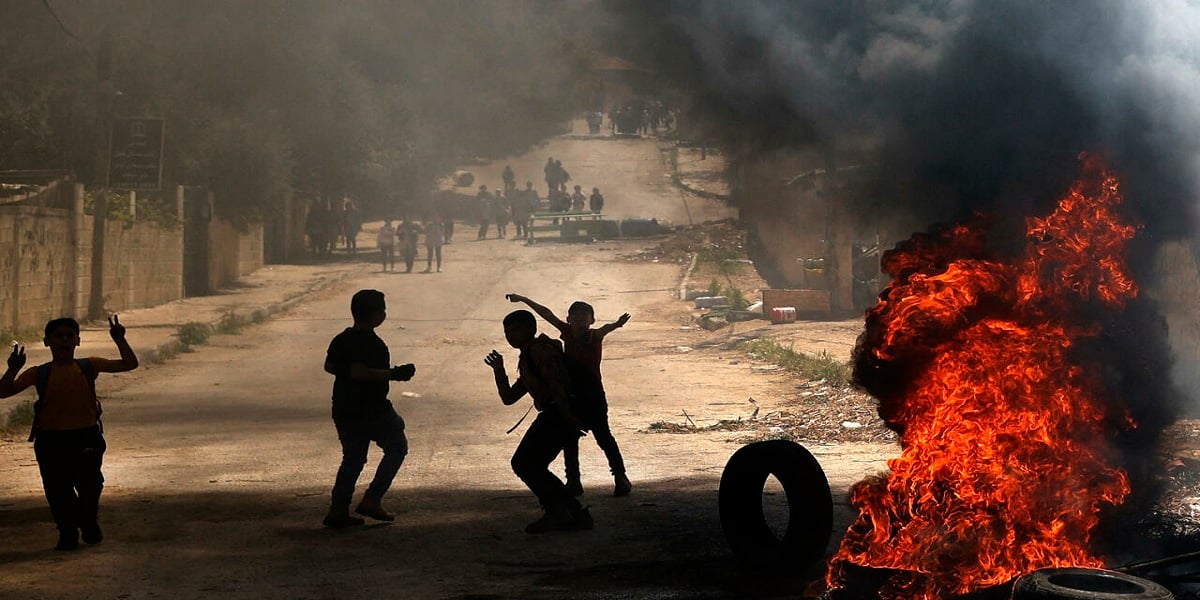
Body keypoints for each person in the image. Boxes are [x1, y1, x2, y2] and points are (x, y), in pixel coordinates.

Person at [0, 315, 139, 550]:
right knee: (57, 491)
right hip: (51, 441)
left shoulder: (88, 366)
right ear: (47, 342)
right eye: (58, 336)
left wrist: (120, 339)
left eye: (69, 336)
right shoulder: (39, 373)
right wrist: (12, 369)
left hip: (86, 437)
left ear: (78, 341)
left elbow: (129, 364)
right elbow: (4, 392)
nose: (64, 340)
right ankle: (67, 532)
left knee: (91, 485)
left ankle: (87, 522)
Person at [506, 294, 631, 497]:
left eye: (584, 316)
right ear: (568, 319)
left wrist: (617, 324)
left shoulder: (594, 336)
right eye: (575, 316)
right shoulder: (566, 333)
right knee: (569, 439)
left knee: (603, 436)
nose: (579, 320)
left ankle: (620, 476)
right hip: (571, 392)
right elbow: (546, 313)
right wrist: (524, 299)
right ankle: (573, 481)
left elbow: (607, 328)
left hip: (592, 393)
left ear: (592, 320)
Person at [484, 309, 593, 533]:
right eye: (507, 332)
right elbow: (509, 398)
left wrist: (568, 416)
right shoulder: (527, 357)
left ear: (531, 329)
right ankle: (571, 511)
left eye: (516, 330)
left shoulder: (540, 351)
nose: (511, 336)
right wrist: (499, 371)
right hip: (556, 414)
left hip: (558, 414)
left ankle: (562, 512)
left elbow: (558, 384)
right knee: (530, 464)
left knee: (525, 463)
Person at [322, 289, 416, 528]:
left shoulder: (340, 339)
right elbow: (360, 373)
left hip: (344, 408)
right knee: (397, 447)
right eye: (382, 310)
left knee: (352, 459)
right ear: (376, 315)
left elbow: (330, 366)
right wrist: (394, 374)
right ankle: (372, 499)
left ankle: (338, 509)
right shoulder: (373, 344)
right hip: (372, 409)